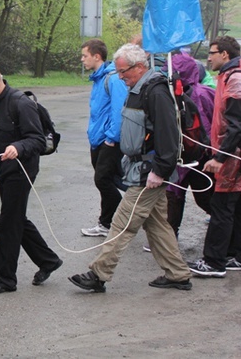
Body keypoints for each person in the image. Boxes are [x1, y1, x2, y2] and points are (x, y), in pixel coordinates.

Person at [69, 43, 192, 293]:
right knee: (156, 224)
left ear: (139, 67)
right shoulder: (140, 88)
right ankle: (178, 274)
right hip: (144, 169)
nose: (121, 76)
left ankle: (98, 273)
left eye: (124, 71)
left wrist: (159, 171)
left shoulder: (155, 92)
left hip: (149, 172)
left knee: (123, 222)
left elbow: (168, 135)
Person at [0, 63, 62, 293]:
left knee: (8, 223)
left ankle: (5, 279)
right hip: (2, 169)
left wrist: (18, 147)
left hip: (22, 170)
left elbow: (37, 140)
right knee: (16, 217)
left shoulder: (21, 104)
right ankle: (48, 260)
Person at [188, 36, 241, 277]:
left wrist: (219, 157)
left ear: (225, 55)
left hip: (232, 156)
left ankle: (214, 262)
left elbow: (236, 125)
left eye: (213, 52)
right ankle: (233, 255)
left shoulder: (235, 79)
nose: (209, 57)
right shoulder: (228, 77)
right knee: (233, 207)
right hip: (231, 153)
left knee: (221, 206)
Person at [79, 39, 128, 237]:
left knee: (102, 180)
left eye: (85, 55)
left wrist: (111, 138)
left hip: (108, 141)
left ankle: (113, 221)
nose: (82, 60)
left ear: (97, 56)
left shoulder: (113, 79)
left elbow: (119, 111)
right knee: (114, 179)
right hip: (97, 140)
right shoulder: (99, 79)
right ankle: (112, 220)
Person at [164, 52, 214, 238]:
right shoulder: (172, 95)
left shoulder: (202, 93)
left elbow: (211, 124)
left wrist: (211, 151)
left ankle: (228, 238)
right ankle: (169, 238)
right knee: (173, 196)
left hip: (201, 155)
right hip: (182, 154)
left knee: (205, 198)